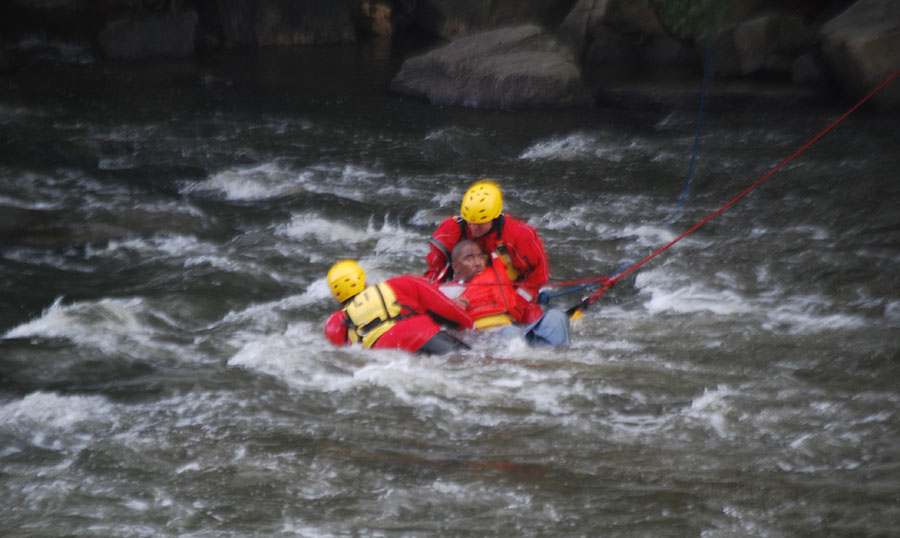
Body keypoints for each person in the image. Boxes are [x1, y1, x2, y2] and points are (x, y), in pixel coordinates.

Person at [425, 180, 549, 302]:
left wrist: (521, 299)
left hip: (509, 294)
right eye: (470, 221)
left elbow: (538, 273)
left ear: (494, 217)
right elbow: (435, 271)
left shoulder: (518, 235)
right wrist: (429, 297)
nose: (473, 227)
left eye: (480, 223)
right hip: (462, 293)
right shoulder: (451, 231)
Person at [324, 260, 473, 355]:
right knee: (470, 361)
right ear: (363, 280)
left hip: (383, 354)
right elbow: (449, 312)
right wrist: (471, 325)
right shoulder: (398, 284)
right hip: (418, 333)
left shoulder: (337, 321)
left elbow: (341, 348)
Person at [441, 240, 570, 347]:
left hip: (518, 334)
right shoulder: (445, 292)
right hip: (484, 340)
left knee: (556, 317)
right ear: (456, 266)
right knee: (511, 333)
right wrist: (448, 309)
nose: (478, 262)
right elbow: (428, 321)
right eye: (470, 258)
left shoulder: (498, 278)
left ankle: (555, 362)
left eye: (480, 257)